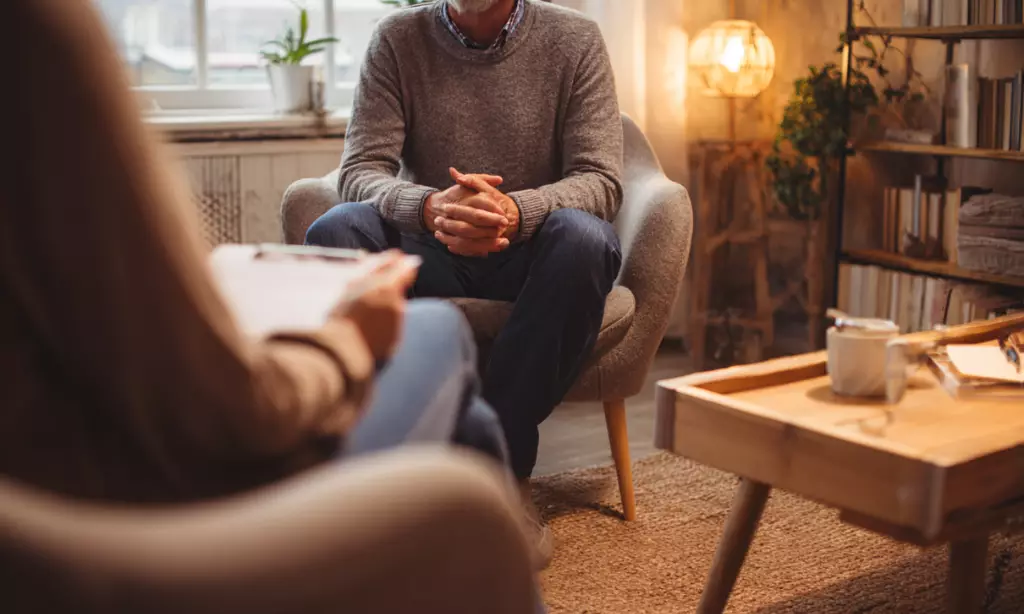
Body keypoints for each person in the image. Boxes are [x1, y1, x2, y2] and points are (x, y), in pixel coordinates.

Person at [0, 0, 524, 560]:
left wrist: (514, 212)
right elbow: (241, 406)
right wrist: (346, 339)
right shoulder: (36, 32)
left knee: (469, 417)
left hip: (50, 511)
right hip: (167, 513)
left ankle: (478, 538)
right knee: (438, 330)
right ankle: (498, 522)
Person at [305, 0, 625, 507]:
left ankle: (494, 462)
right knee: (336, 229)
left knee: (586, 239)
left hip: (531, 260)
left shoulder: (576, 39)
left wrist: (514, 213)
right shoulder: (396, 38)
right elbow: (360, 170)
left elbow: (601, 179)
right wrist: (430, 208)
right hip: (427, 252)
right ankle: (389, 466)